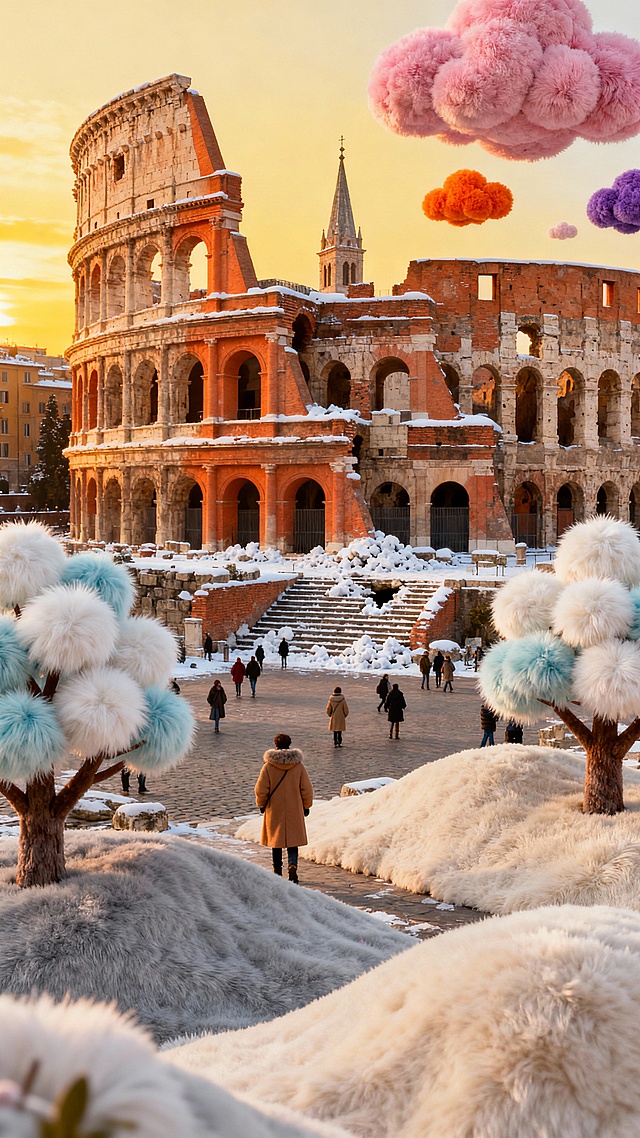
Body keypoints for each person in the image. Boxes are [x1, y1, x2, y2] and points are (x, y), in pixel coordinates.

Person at [255, 732, 313, 884]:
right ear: (289, 745)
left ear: (275, 745)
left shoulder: (268, 766)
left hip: (275, 809)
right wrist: (306, 805)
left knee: (276, 841)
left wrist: (261, 804)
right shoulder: (298, 766)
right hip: (294, 808)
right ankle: (292, 865)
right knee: (293, 841)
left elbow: (261, 789)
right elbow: (306, 789)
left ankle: (277, 870)